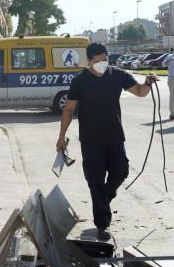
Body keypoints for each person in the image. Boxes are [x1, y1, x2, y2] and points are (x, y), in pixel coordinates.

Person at [55, 42, 157, 241]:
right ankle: (102, 224)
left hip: (114, 136)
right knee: (95, 180)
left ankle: (103, 197)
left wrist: (147, 84)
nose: (103, 63)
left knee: (121, 171)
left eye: (105, 59)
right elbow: (68, 109)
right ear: (89, 60)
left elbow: (139, 92)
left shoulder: (117, 75)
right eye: (98, 60)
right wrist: (61, 137)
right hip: (90, 140)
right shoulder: (80, 81)